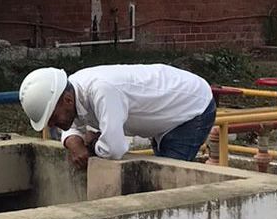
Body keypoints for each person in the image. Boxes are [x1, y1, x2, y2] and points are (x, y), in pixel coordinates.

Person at [19, 64, 216, 168]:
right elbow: (74, 125)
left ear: (67, 100)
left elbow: (114, 148)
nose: (53, 125)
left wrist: (92, 145)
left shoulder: (102, 90)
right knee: (161, 173)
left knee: (170, 181)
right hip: (164, 112)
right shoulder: (72, 89)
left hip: (191, 105)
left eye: (52, 118)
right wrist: (74, 142)